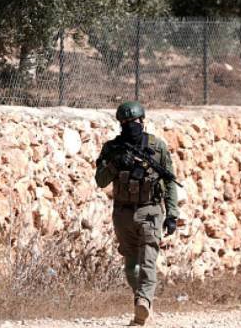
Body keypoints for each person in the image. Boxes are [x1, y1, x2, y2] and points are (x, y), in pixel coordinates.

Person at [95, 101, 179, 326]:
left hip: (150, 211)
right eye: (125, 122)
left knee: (149, 261)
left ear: (142, 121)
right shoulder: (112, 148)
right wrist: (115, 164)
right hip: (123, 214)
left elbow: (169, 182)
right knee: (132, 265)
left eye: (134, 121)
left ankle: (143, 300)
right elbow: (100, 181)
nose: (130, 125)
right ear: (120, 124)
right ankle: (143, 303)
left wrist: (172, 214)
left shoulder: (157, 147)